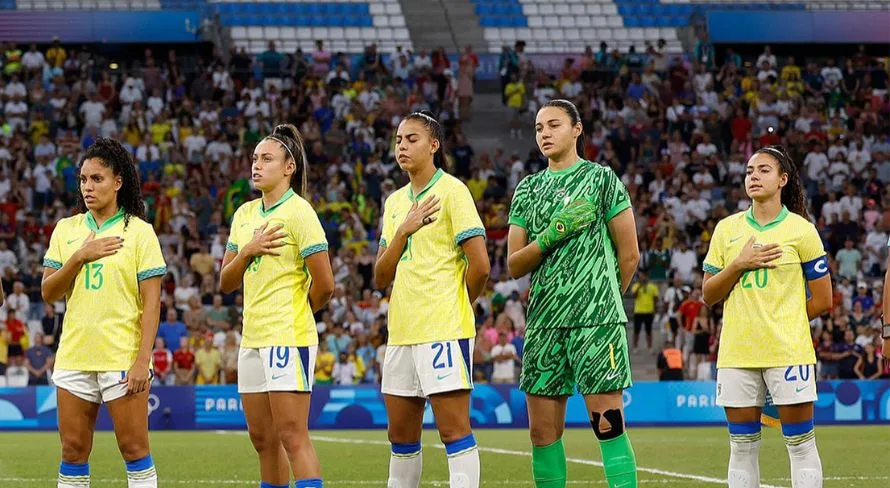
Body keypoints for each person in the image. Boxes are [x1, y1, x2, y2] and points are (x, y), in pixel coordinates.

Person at [507, 99, 640, 488]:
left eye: (554, 125)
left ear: (577, 129)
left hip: (596, 322)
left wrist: (601, 299)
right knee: (541, 434)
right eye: (538, 128)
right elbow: (514, 264)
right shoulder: (528, 189)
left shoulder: (602, 180)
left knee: (608, 425)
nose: (544, 134)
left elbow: (630, 254)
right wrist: (555, 232)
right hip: (544, 323)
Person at [702, 145, 832, 488]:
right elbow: (709, 294)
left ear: (783, 179)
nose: (754, 176)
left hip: (788, 352)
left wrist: (785, 322)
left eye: (763, 170)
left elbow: (823, 300)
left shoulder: (801, 231)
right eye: (749, 171)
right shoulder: (726, 230)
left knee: (801, 444)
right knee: (741, 447)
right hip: (737, 353)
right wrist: (739, 264)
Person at [41, 137, 166, 488]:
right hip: (75, 355)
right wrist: (79, 257)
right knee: (72, 452)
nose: (88, 187)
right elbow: (49, 292)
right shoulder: (67, 230)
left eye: (97, 179)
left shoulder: (140, 233)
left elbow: (152, 303)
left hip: (122, 357)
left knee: (134, 450)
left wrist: (142, 360)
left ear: (118, 182)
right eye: (83, 179)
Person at [374, 111, 490, 488]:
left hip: (443, 329)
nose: (402, 146)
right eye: (398, 140)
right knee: (400, 437)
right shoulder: (394, 203)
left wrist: (456, 304)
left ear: (434, 145)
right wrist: (403, 232)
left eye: (412, 139)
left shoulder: (453, 191)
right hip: (402, 331)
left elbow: (481, 266)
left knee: (453, 431)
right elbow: (380, 276)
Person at [219, 124, 335, 488]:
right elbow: (225, 282)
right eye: (255, 158)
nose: (257, 165)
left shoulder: (299, 212)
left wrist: (297, 313)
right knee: (262, 440)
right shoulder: (244, 215)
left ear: (289, 168)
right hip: (252, 338)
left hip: (288, 335)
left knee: (292, 436)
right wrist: (247, 251)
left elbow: (325, 284)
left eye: (266, 159)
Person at [631, 271, 658, 351]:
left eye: (644, 276)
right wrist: (640, 286)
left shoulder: (652, 287)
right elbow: (634, 296)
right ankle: (635, 347)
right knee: (636, 330)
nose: (643, 278)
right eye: (641, 277)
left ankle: (650, 347)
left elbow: (656, 298)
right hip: (638, 311)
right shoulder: (636, 286)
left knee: (648, 330)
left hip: (649, 311)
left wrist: (654, 309)